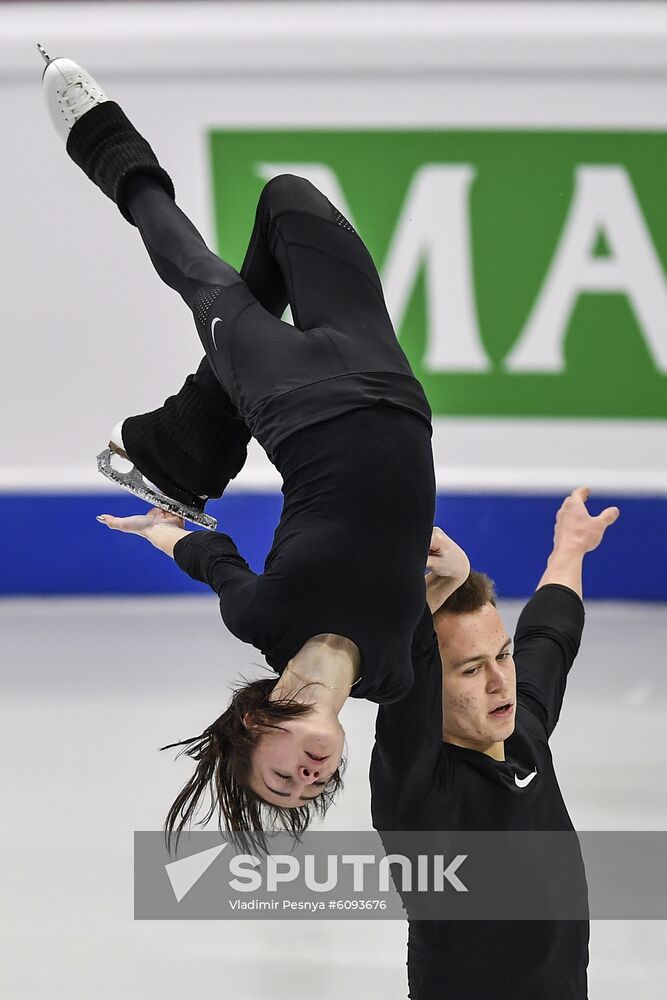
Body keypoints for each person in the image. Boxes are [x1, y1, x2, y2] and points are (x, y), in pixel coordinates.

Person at [40, 50, 442, 845]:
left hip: (293, 399)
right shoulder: (394, 676)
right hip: (389, 381)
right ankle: (190, 435)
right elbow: (456, 615)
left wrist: (157, 526)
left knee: (200, 277)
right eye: (314, 786)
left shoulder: (264, 617)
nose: (310, 774)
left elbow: (206, 552)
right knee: (290, 198)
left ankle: (101, 140)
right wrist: (458, 578)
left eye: (282, 774)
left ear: (258, 724)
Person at [370, 487, 620, 999]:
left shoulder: (520, 731)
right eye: (469, 669)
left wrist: (568, 549)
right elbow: (396, 661)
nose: (500, 682)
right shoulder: (416, 791)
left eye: (501, 657)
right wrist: (442, 578)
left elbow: (548, 636)